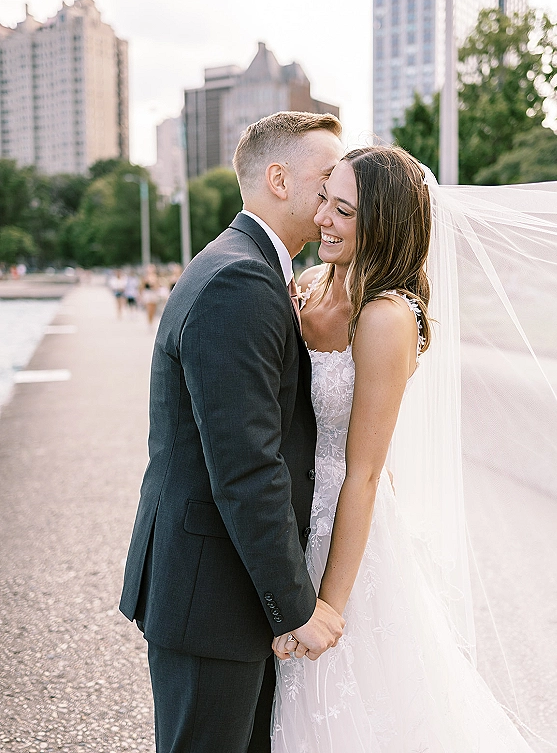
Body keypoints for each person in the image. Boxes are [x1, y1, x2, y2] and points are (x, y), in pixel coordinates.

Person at [271, 147, 543, 751]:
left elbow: (365, 474)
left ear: (383, 225)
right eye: (324, 200)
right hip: (290, 518)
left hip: (348, 533)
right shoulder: (309, 286)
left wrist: (331, 609)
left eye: (343, 210)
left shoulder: (386, 317)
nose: (322, 219)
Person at [119, 111, 346, 753]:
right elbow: (247, 465)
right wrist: (296, 607)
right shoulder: (240, 280)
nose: (335, 197)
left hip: (218, 586)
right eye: (326, 179)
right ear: (279, 178)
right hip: (211, 594)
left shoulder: (248, 266)